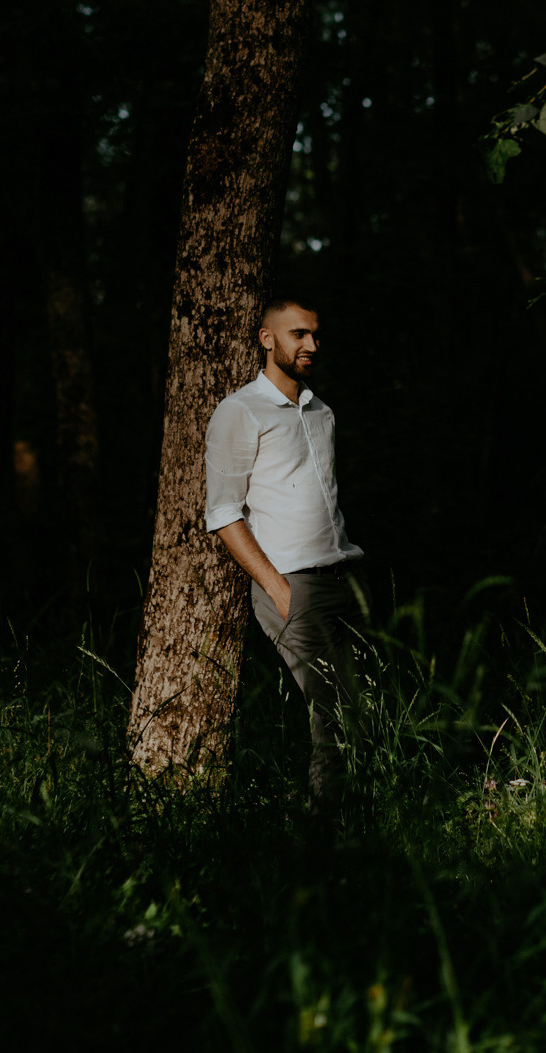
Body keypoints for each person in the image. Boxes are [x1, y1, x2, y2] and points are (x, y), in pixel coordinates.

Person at [204, 298, 363, 811]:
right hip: (291, 585)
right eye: (298, 334)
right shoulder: (240, 411)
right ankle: (324, 839)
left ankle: (358, 829)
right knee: (333, 712)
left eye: (315, 335)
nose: (311, 345)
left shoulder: (321, 411)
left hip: (341, 579)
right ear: (267, 339)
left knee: (359, 711)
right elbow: (223, 514)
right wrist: (277, 588)